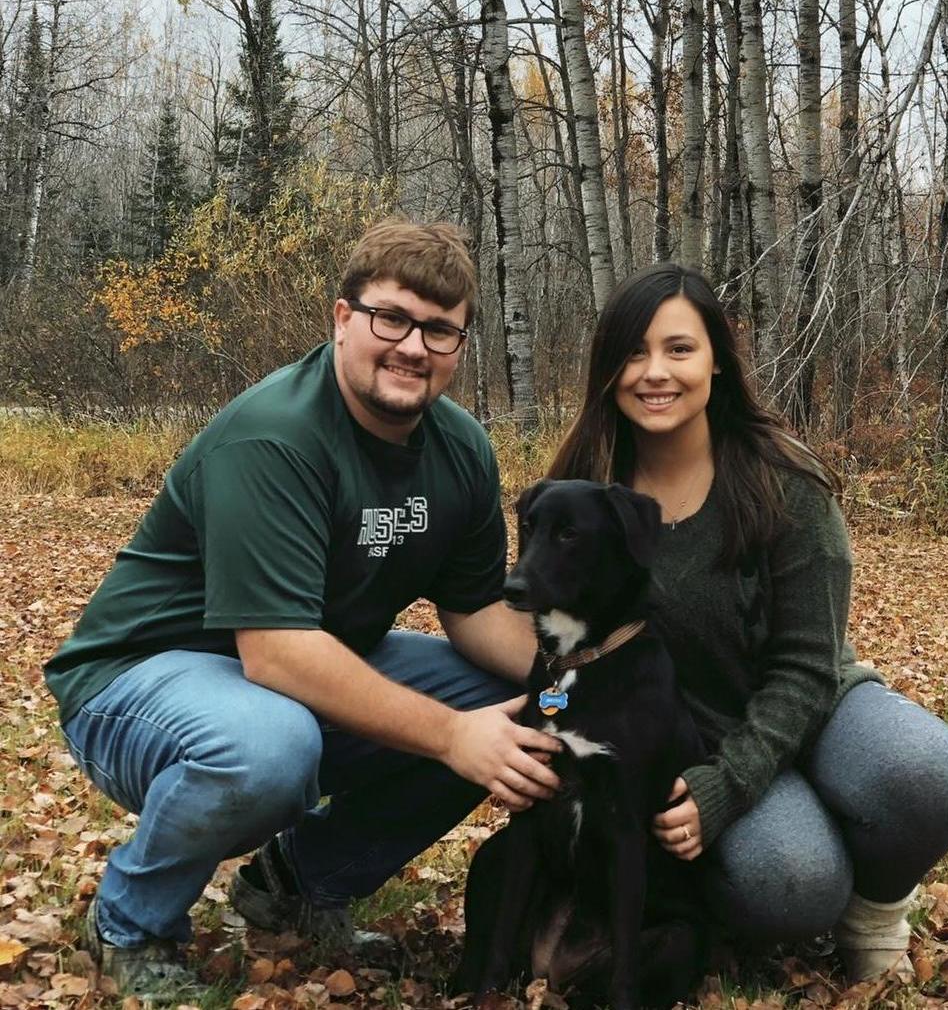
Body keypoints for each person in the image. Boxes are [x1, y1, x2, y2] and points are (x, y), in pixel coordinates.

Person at [44, 219, 562, 1001]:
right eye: (392, 317)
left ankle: (297, 881)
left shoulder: (461, 452)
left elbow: (479, 609)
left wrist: (582, 678)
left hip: (287, 673)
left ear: (460, 346)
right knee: (269, 746)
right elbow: (277, 653)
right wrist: (454, 737)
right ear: (343, 317)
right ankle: (132, 922)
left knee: (510, 708)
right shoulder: (275, 435)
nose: (413, 347)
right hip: (134, 685)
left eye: (440, 330)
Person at [547, 263, 948, 983]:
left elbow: (807, 667)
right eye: (633, 351)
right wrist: (546, 727)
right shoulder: (587, 490)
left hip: (815, 701)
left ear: (717, 360)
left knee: (923, 773)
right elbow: (559, 648)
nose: (655, 372)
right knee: (790, 882)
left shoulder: (783, 481)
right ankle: (810, 872)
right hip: (698, 733)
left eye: (679, 349)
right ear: (607, 369)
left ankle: (874, 908)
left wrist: (729, 788)